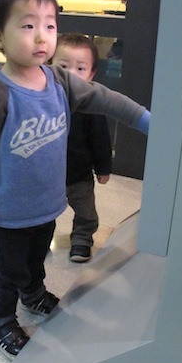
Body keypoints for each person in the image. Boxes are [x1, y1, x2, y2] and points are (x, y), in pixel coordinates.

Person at [0, 0, 150, 360]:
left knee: (37, 259)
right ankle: (0, 318)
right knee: (8, 270)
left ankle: (33, 295)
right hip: (9, 212)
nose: (42, 37)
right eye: (28, 25)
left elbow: (105, 98)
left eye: (49, 25)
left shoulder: (59, 80)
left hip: (46, 204)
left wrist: (144, 118)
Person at [52, 33, 112, 262]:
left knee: (86, 211)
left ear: (92, 74)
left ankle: (82, 238)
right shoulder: (42, 99)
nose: (70, 74)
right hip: (47, 175)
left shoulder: (91, 105)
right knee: (43, 214)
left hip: (79, 175)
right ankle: (39, 240)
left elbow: (100, 139)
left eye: (80, 68)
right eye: (63, 66)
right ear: (50, 66)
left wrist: (103, 168)